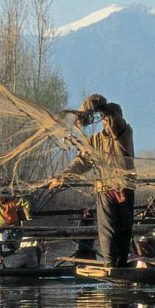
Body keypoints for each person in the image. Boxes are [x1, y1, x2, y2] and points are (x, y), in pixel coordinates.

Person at [49, 95, 135, 267]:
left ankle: (122, 265)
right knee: (107, 232)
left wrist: (100, 107)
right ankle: (111, 265)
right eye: (104, 120)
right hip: (104, 189)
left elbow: (115, 122)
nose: (107, 123)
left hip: (124, 188)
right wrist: (64, 176)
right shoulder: (94, 141)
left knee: (123, 232)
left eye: (109, 119)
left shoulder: (125, 133)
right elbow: (82, 161)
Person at [0, 190, 32, 257]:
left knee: (8, 243)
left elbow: (23, 202)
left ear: (5, 196)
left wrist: (27, 211)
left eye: (1, 197)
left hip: (13, 227)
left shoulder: (11, 202)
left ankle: (9, 254)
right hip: (0, 229)